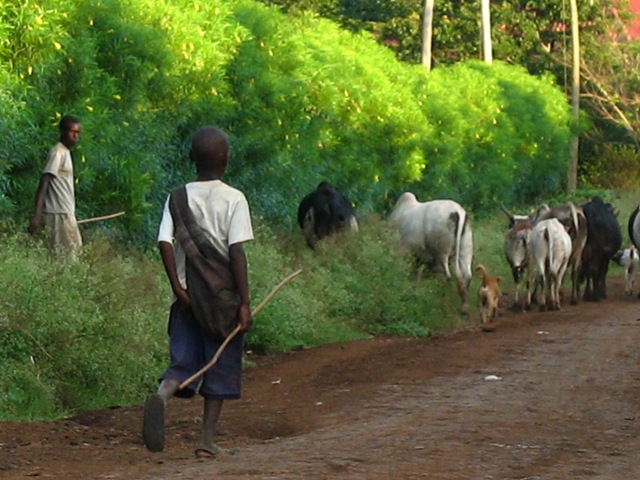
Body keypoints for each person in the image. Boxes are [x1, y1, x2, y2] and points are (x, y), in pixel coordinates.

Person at [143, 125, 254, 458]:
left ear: (191, 157)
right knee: (220, 367)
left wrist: (178, 287)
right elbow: (236, 253)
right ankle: (206, 440)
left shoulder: (176, 197)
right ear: (227, 160)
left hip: (187, 299)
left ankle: (162, 395)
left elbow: (163, 241)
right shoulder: (234, 199)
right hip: (222, 302)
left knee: (183, 361)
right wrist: (244, 303)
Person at [28, 115, 83, 259]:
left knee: (73, 254)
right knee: (66, 258)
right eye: (72, 132)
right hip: (58, 213)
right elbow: (45, 181)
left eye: (78, 133)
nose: (75, 136)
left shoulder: (66, 152)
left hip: (66, 212)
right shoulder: (58, 152)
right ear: (62, 131)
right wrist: (37, 215)